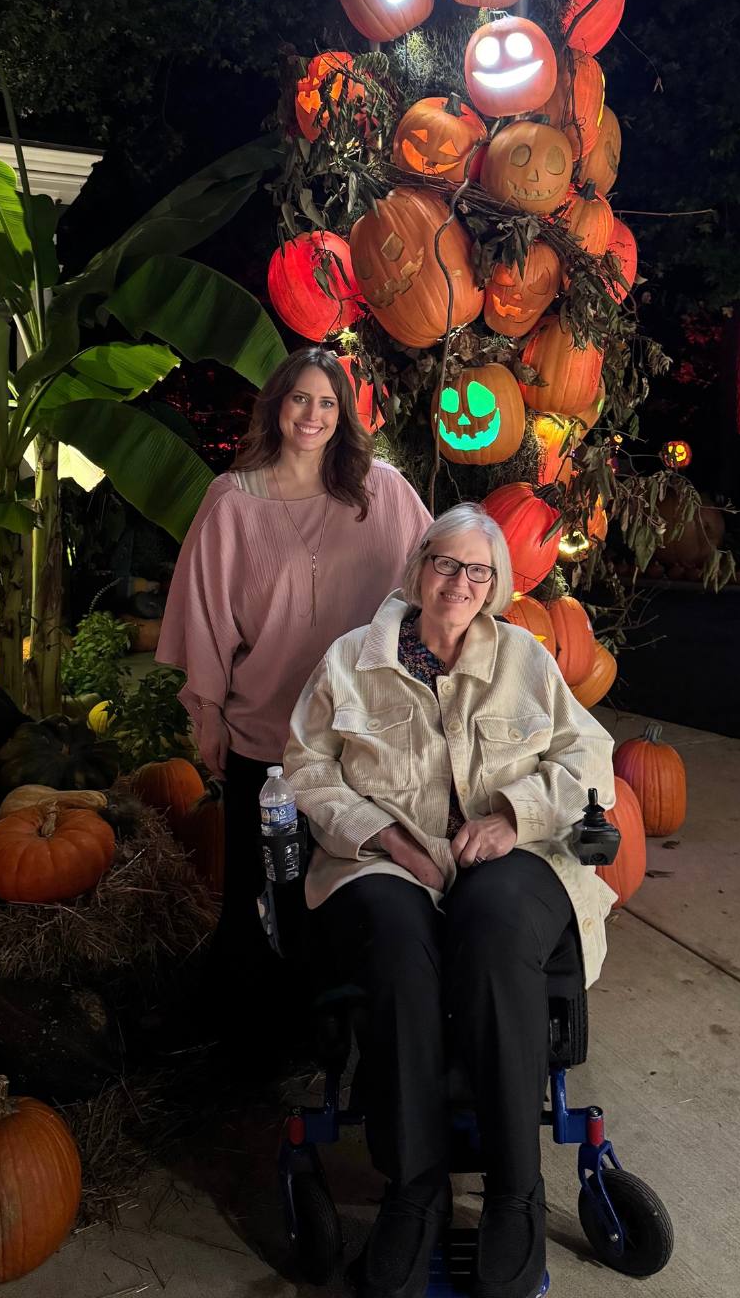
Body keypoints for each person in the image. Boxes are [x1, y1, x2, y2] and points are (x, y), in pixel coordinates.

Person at [284, 505, 617, 1298]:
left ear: (496, 585)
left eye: (478, 572)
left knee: (497, 926)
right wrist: (387, 840)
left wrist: (512, 817)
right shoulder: (348, 663)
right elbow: (305, 768)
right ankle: (415, 1192)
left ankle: (514, 1193)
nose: (459, 583)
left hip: (515, 853)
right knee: (398, 945)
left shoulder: (526, 659)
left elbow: (590, 756)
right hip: (387, 858)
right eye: (445, 564)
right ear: (417, 568)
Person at [155, 346, 432, 1048]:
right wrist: (207, 712)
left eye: (327, 403)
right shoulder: (233, 503)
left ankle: (342, 1038)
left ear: (344, 417)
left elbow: (445, 574)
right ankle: (256, 1045)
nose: (312, 415)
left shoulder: (384, 494)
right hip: (267, 737)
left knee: (347, 888)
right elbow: (206, 614)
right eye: (300, 399)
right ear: (277, 406)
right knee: (261, 894)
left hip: (360, 739)